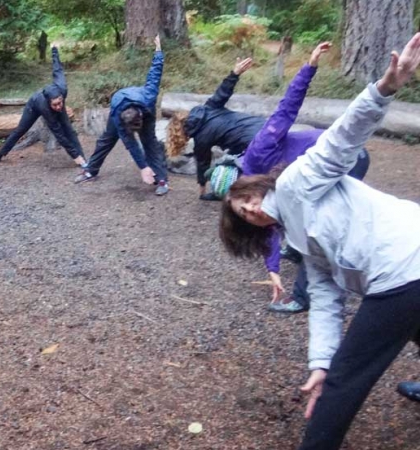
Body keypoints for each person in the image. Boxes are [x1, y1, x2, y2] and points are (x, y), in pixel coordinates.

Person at [218, 33, 420, 450]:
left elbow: (341, 139)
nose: (252, 209)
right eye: (243, 213)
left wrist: (383, 89)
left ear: (258, 187)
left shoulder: (294, 185)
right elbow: (326, 301)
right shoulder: (297, 237)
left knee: (348, 376)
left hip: (403, 263)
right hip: (409, 265)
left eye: (249, 199)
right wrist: (319, 363)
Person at [206, 43, 371, 313]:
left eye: (241, 196)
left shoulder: (260, 150)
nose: (247, 205)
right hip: (321, 171)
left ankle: (302, 296)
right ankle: (295, 252)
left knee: (313, 228)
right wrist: (273, 271)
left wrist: (309, 67)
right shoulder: (257, 192)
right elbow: (267, 224)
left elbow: (287, 109)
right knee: (294, 218)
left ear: (241, 180)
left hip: (346, 158)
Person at [74, 35, 170, 196]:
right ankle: (90, 170)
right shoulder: (118, 115)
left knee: (149, 143)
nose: (132, 133)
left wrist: (158, 52)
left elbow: (154, 75)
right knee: (106, 140)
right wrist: (143, 167)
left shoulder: (149, 96)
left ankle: (162, 180)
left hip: (145, 111)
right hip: (120, 107)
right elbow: (130, 144)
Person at [166, 57, 269, 200]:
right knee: (232, 155)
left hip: (252, 141)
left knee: (236, 166)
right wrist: (235, 73)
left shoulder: (201, 138)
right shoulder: (208, 108)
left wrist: (202, 190)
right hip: (263, 125)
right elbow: (223, 92)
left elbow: (203, 164)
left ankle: (229, 192)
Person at [0, 44, 87, 168]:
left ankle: (84, 160)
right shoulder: (45, 107)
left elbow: (57, 70)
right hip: (33, 106)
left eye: (60, 102)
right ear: (49, 102)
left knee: (70, 130)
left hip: (49, 104)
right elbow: (58, 134)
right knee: (20, 130)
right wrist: (73, 155)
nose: (59, 106)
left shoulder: (62, 89)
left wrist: (54, 50)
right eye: (55, 105)